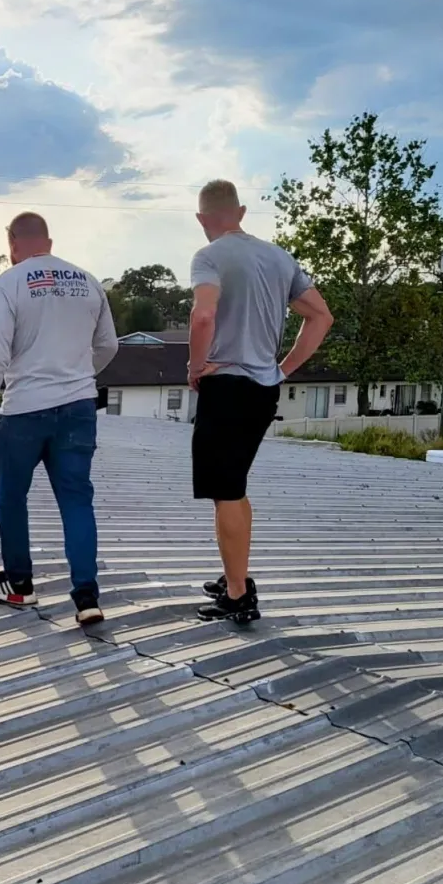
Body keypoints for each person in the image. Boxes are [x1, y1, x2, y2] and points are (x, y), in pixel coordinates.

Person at [187, 179, 334, 623]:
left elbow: (204, 314)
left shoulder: (209, 256)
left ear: (201, 219)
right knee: (232, 488)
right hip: (262, 389)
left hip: (226, 384)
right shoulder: (279, 257)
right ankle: (235, 575)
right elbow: (321, 315)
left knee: (226, 491)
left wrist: (195, 367)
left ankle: (237, 596)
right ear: (242, 211)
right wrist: (283, 369)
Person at [0, 212, 119, 626]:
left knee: (11, 497)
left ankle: (19, 584)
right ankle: (86, 596)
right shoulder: (87, 281)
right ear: (49, 242)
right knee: (76, 500)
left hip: (25, 410)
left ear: (13, 243)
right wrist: (78, 372)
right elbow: (108, 345)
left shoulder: (10, 282)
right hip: (78, 407)